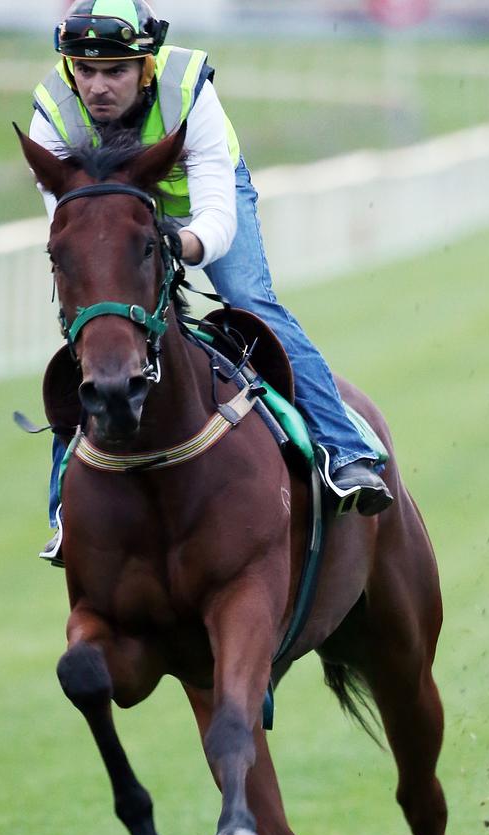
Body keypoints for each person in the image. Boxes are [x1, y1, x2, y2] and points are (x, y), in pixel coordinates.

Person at [31, 0, 393, 561]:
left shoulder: (187, 90)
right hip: (116, 220)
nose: (98, 87)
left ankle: (345, 451)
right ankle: (63, 507)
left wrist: (177, 246)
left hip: (203, 210)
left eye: (116, 70)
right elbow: (68, 223)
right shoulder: (50, 111)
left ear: (147, 66)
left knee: (248, 299)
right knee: (93, 331)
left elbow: (217, 221)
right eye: (86, 70)